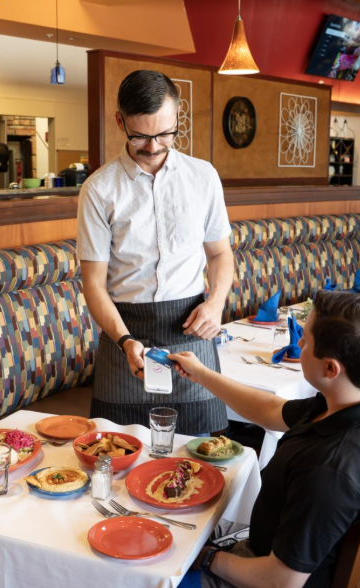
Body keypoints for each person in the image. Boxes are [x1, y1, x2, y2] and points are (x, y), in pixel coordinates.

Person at [168, 290, 360, 588]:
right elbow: (271, 410)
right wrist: (201, 374)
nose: (298, 344)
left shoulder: (329, 470)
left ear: (331, 368)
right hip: (280, 555)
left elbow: (279, 584)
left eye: (305, 340)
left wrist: (206, 558)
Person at [76, 69, 234, 435]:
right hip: (124, 336)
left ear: (178, 115)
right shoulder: (99, 190)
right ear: (120, 122)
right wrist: (125, 340)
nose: (152, 146)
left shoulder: (203, 177)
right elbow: (94, 284)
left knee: (199, 452)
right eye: (140, 136)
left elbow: (220, 254)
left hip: (191, 329)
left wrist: (215, 303)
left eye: (164, 133)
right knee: (117, 449)